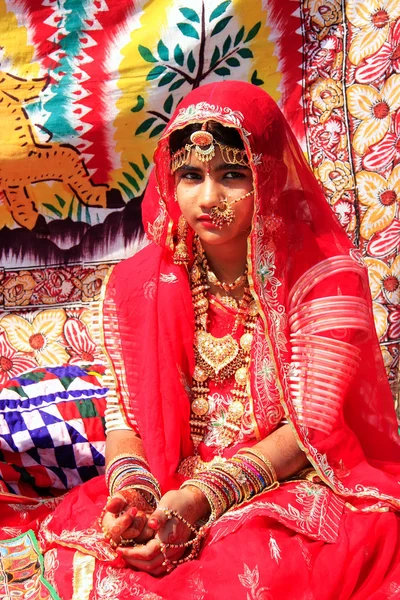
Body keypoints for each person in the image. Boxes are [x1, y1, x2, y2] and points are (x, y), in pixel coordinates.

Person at [1, 81, 400, 599]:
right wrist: (137, 498)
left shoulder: (323, 280)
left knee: (249, 574)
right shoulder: (135, 287)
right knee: (83, 561)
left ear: (270, 177)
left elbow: (310, 431)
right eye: (190, 175)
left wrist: (198, 499)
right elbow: (127, 422)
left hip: (283, 481)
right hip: (167, 481)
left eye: (232, 175)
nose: (209, 198)